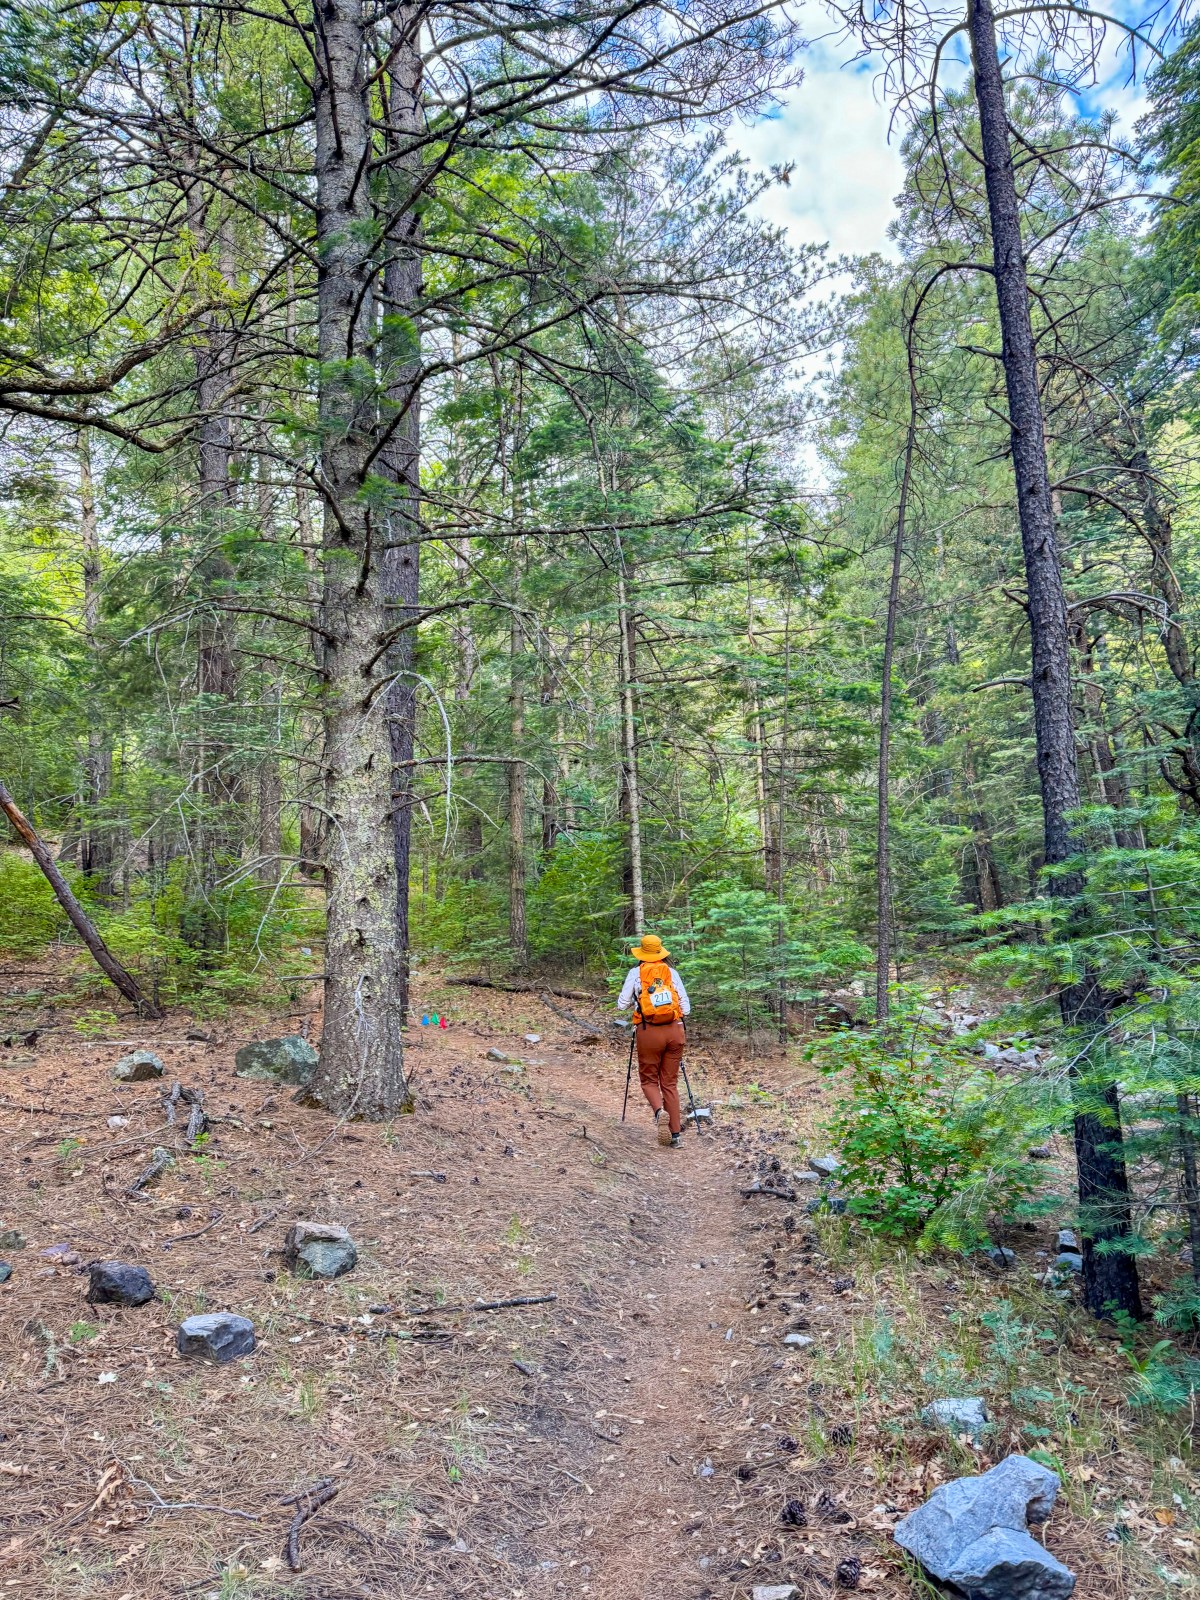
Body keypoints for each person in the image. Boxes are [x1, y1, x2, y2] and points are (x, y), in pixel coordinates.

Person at [616, 934, 691, 1148]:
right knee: (670, 1083)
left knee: (649, 1080)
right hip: (675, 1031)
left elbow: (622, 1004)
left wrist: (636, 1000)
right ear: (660, 952)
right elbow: (686, 1007)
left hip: (649, 1032)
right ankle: (675, 1135)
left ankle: (659, 1112)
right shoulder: (671, 973)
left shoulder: (635, 973)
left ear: (642, 952)